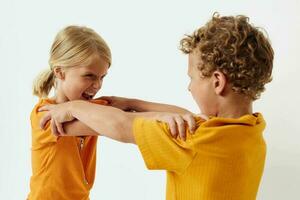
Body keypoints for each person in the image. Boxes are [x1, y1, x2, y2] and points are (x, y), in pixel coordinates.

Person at [39, 13, 274, 200]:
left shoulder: (194, 140)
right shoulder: (251, 131)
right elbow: (188, 115)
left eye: (192, 78)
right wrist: (133, 104)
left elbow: (121, 125)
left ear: (217, 82)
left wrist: (73, 108)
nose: (189, 88)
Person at [28, 25, 193, 200]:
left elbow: (185, 115)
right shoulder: (46, 115)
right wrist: (158, 116)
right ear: (60, 72)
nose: (98, 85)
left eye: (102, 77)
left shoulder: (93, 109)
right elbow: (119, 123)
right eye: (89, 76)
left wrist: (132, 103)